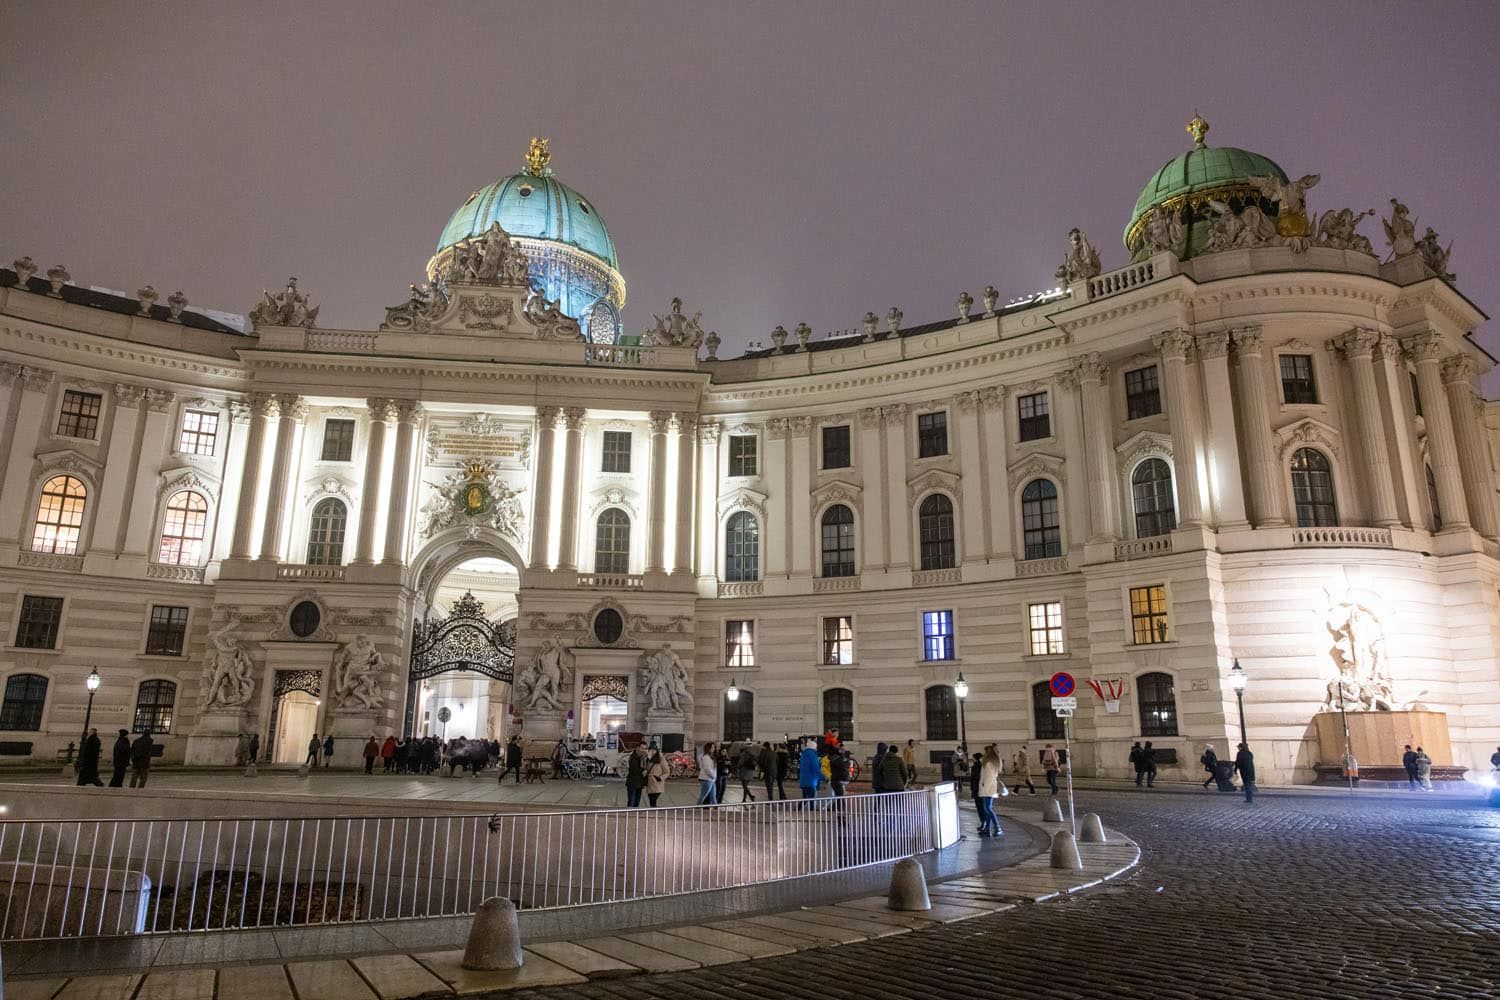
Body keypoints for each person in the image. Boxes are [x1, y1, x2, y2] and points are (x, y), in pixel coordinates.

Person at [977, 746, 1002, 836]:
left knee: (988, 809)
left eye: (985, 752)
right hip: (990, 788)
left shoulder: (988, 764)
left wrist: (985, 789)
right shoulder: (993, 762)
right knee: (987, 809)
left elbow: (988, 778)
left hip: (988, 788)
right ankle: (987, 828)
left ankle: (997, 827)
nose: (984, 753)